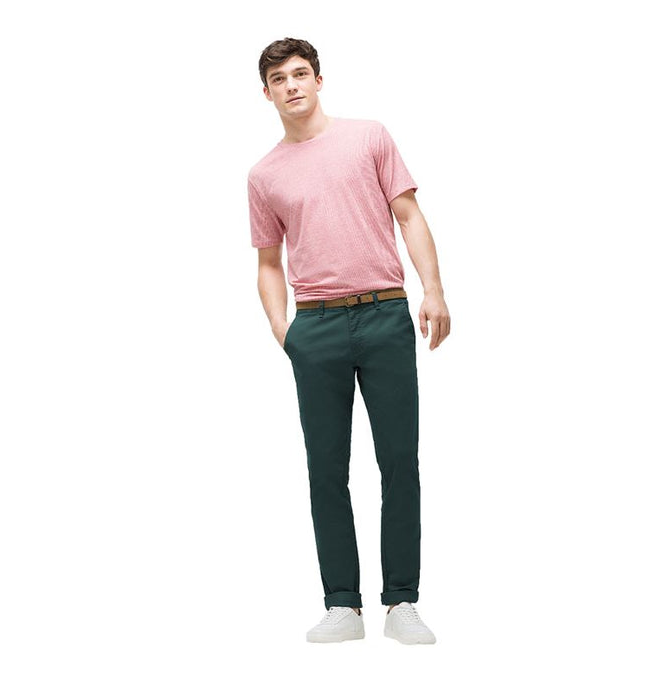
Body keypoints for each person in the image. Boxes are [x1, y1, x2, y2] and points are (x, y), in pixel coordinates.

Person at [247, 37, 450, 645]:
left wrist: (433, 291)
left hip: (385, 314)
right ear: (266, 93)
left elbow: (409, 216)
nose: (292, 85)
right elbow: (267, 262)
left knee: (400, 463)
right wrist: (286, 332)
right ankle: (342, 604)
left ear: (318, 79)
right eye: (279, 79)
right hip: (316, 328)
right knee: (325, 469)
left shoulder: (369, 137)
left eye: (300, 73)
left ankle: (402, 602)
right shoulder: (264, 175)